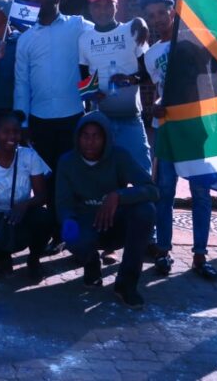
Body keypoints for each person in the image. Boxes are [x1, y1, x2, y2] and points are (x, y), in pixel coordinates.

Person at [140, 0, 217, 281]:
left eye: (162, 12)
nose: (158, 19)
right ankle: (163, 250)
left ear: (173, 11)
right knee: (165, 191)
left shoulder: (192, 41)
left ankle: (200, 255)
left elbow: (208, 77)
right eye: (151, 15)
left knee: (201, 192)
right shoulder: (150, 55)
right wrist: (155, 108)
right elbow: (159, 89)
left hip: (196, 126)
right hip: (167, 129)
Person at [14, 0, 93, 251]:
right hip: (39, 120)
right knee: (44, 180)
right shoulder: (25, 38)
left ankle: (69, 234)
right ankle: (51, 232)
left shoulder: (78, 26)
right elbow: (21, 83)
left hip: (73, 117)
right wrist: (22, 122)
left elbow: (107, 35)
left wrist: (137, 25)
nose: (35, 1)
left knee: (69, 178)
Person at [57, 112, 158, 309]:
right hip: (86, 224)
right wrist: (68, 224)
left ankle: (126, 285)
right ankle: (90, 261)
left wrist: (118, 196)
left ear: (106, 139)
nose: (90, 142)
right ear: (77, 137)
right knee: (71, 233)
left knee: (146, 210)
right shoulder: (67, 161)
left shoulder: (119, 156)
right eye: (85, 135)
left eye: (96, 136)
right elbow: (63, 204)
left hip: (114, 223)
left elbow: (152, 190)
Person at [0, 111, 55, 279]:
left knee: (45, 217)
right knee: (2, 266)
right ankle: (0, 254)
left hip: (22, 213)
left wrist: (23, 205)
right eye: (6, 131)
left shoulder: (29, 156)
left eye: (16, 131)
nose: (12, 136)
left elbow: (42, 196)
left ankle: (34, 259)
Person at [78, 0, 152, 174]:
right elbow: (84, 76)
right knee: (105, 173)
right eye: (97, 5)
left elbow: (148, 72)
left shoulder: (132, 29)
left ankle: (142, 204)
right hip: (100, 118)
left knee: (141, 170)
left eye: (108, 5)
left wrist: (131, 79)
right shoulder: (84, 39)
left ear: (116, 7)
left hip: (130, 116)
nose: (102, 10)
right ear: (90, 8)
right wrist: (91, 94)